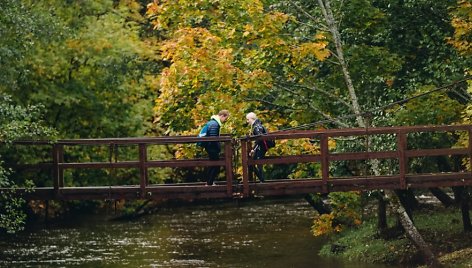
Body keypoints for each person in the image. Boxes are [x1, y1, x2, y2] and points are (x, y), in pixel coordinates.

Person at [203, 110, 230, 186]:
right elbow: (213, 138)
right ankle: (209, 183)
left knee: (213, 165)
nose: (225, 120)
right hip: (212, 148)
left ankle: (209, 182)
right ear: (222, 116)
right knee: (215, 166)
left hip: (210, 147)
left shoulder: (212, 122)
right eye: (225, 118)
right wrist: (218, 148)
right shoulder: (215, 124)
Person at [246, 112, 267, 182]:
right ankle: (262, 180)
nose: (247, 121)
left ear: (251, 119)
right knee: (255, 163)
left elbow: (259, 138)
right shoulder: (258, 125)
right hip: (261, 146)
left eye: (248, 119)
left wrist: (253, 149)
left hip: (261, 147)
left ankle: (262, 180)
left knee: (256, 163)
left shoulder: (256, 126)